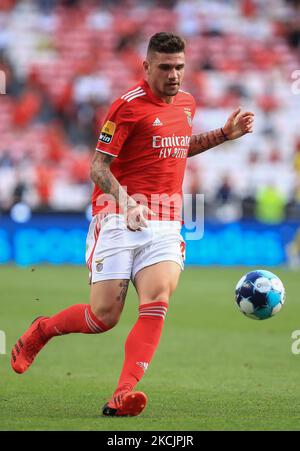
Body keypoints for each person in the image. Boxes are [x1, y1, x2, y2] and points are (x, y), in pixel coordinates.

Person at [11, 32, 254, 417]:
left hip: (167, 220)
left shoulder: (187, 103)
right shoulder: (126, 107)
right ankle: (43, 330)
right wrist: (126, 204)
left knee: (157, 302)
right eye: (165, 67)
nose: (174, 75)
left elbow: (177, 145)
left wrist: (225, 134)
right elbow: (97, 166)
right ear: (146, 66)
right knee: (102, 318)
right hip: (118, 216)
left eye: (179, 67)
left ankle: (123, 393)